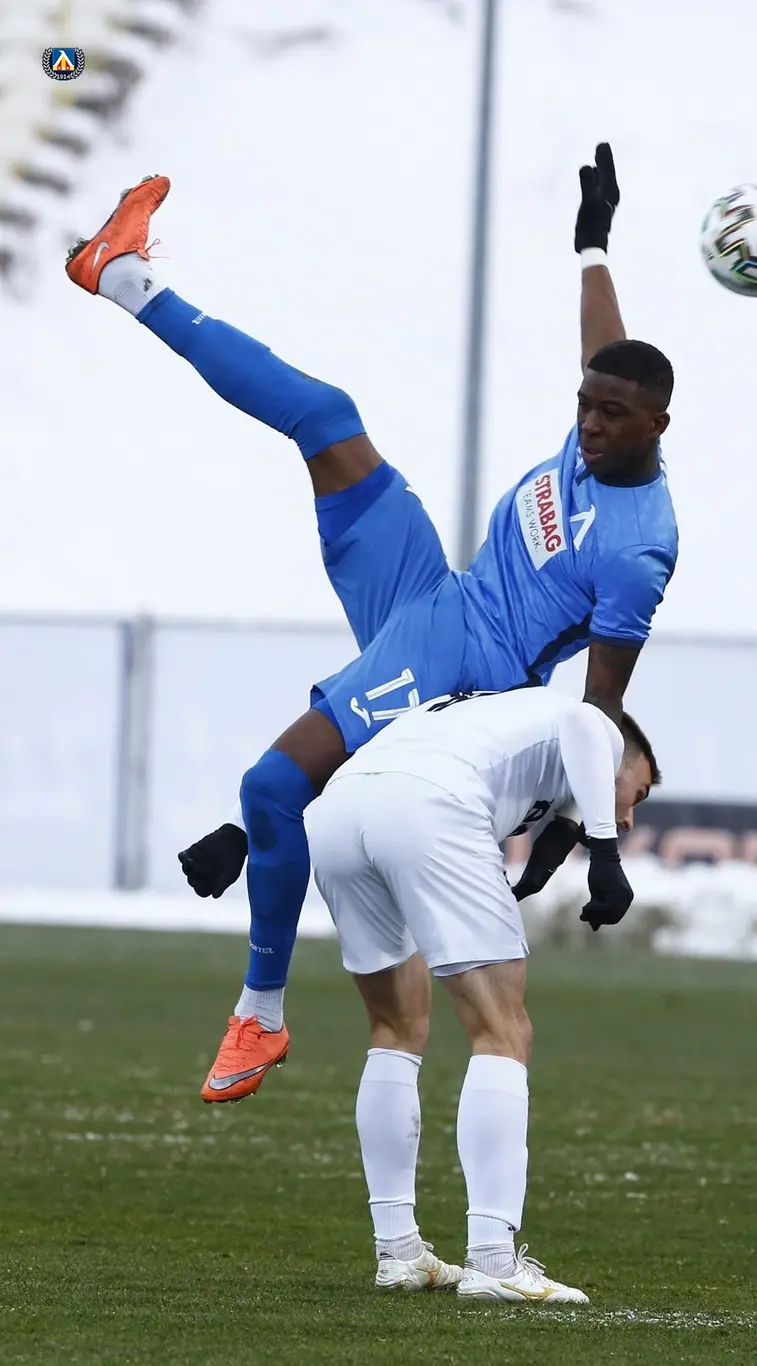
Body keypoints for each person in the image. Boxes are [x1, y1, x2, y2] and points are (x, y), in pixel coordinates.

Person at [65, 147, 678, 1103]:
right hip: (438, 591)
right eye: (583, 408)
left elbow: (594, 716)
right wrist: (592, 244)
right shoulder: (603, 424)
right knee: (326, 416)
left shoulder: (639, 551)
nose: (589, 426)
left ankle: (260, 1013)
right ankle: (121, 275)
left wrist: (590, 843)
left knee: (272, 786)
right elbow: (608, 351)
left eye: (611, 415)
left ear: (656, 426)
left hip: (468, 662)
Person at [303, 687, 660, 1301]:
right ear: (623, 758)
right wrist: (605, 850)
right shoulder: (595, 727)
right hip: (430, 805)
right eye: (640, 793)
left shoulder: (498, 717)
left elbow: (557, 802)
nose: (630, 816)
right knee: (503, 1030)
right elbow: (587, 723)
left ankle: (399, 1252)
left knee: (395, 1029)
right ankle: (493, 1259)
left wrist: (553, 854)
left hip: (339, 811)